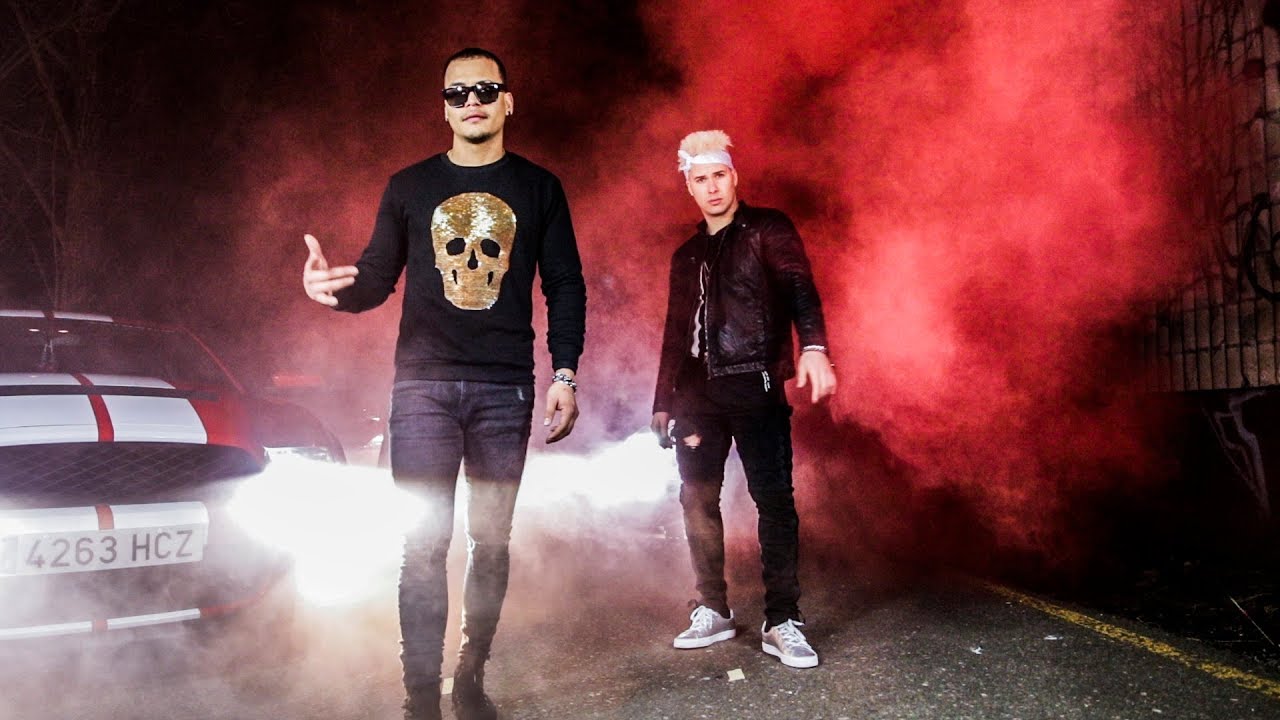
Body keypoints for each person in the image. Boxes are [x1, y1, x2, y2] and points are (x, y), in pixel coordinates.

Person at [301, 47, 586, 720]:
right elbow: (376, 279)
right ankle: (421, 699)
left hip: (505, 391)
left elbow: (565, 284)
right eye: (457, 93)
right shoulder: (408, 186)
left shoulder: (540, 188)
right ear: (445, 108)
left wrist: (565, 372)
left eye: (485, 89)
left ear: (508, 101)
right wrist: (331, 293)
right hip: (422, 391)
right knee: (423, 545)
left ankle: (471, 676)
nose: (472, 101)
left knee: (491, 542)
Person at [651, 130, 836, 669]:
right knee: (696, 499)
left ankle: (782, 620)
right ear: (689, 187)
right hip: (695, 397)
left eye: (719, 176)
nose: (711, 187)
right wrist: (662, 399)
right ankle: (713, 608)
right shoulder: (686, 255)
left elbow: (800, 287)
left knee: (773, 501)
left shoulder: (768, 229)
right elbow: (674, 332)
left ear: (734, 177)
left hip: (756, 384)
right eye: (700, 179)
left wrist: (815, 347)